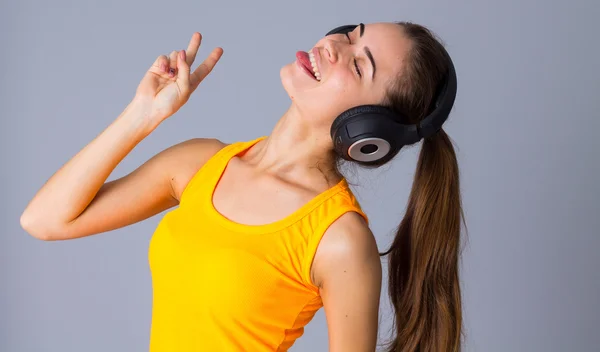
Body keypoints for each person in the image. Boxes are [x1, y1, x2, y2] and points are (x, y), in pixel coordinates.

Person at [20, 21, 465, 352]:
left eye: (358, 63)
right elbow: (44, 220)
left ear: (370, 128)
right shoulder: (200, 163)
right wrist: (144, 115)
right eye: (351, 35)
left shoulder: (338, 238)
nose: (333, 46)